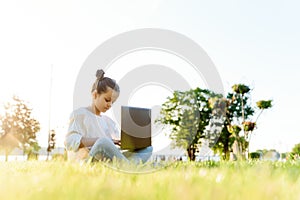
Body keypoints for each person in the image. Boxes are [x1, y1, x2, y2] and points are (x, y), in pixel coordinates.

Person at [64, 69, 153, 164]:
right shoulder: (80, 114)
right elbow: (69, 142)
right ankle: (131, 166)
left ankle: (128, 165)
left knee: (147, 148)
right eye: (107, 100)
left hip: (106, 160)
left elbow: (112, 148)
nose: (110, 104)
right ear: (95, 95)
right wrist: (101, 140)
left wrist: (127, 143)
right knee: (103, 142)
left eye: (113, 102)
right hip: (87, 160)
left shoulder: (109, 122)